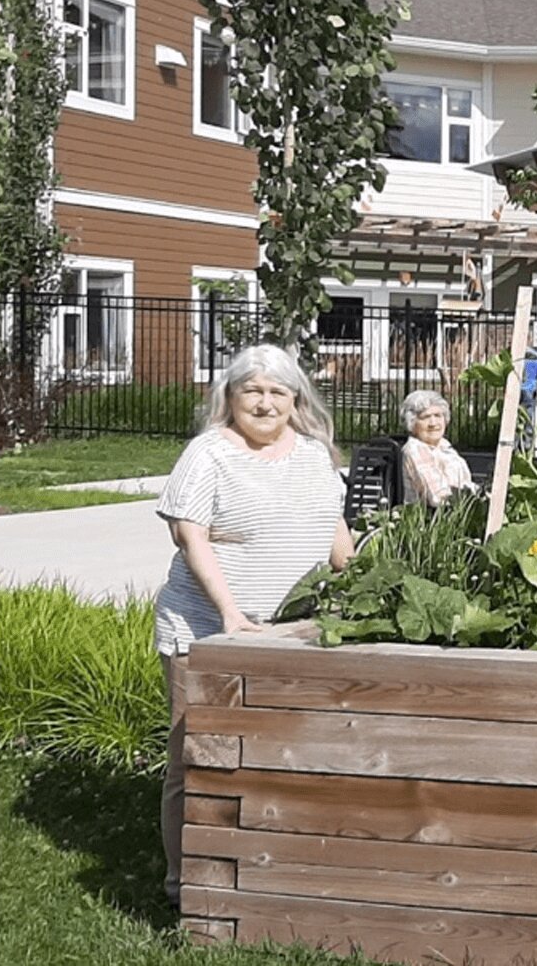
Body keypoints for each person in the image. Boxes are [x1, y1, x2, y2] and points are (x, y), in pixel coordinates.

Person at [152, 344, 353, 907]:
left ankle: (267, 869)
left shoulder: (315, 454)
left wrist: (363, 586)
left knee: (279, 754)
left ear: (296, 400)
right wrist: (230, 614)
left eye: (277, 392)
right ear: (231, 397)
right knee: (195, 753)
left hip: (294, 634)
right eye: (252, 391)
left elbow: (332, 528)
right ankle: (184, 883)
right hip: (205, 632)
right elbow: (189, 536)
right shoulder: (209, 452)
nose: (265, 403)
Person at [398, 389, 474, 506]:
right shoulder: (416, 449)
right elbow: (437, 496)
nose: (433, 423)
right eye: (425, 417)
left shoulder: (444, 446)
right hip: (434, 519)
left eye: (438, 415)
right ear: (412, 423)